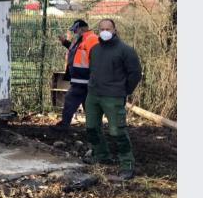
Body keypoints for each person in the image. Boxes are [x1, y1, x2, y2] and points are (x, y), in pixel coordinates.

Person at [83, 18, 142, 180]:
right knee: (91, 128)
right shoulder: (94, 50)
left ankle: (127, 164)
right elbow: (93, 71)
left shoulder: (125, 50)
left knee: (118, 132)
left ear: (114, 30)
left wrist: (124, 90)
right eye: (102, 29)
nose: (105, 32)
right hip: (93, 95)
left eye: (108, 29)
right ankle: (101, 155)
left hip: (114, 97)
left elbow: (135, 74)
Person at [50, 19, 99, 132]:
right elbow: (74, 50)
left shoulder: (91, 39)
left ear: (82, 28)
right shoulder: (82, 39)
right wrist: (64, 42)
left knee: (70, 100)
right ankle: (94, 128)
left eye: (75, 30)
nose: (74, 33)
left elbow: (97, 57)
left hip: (84, 79)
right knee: (88, 105)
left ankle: (64, 125)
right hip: (81, 79)